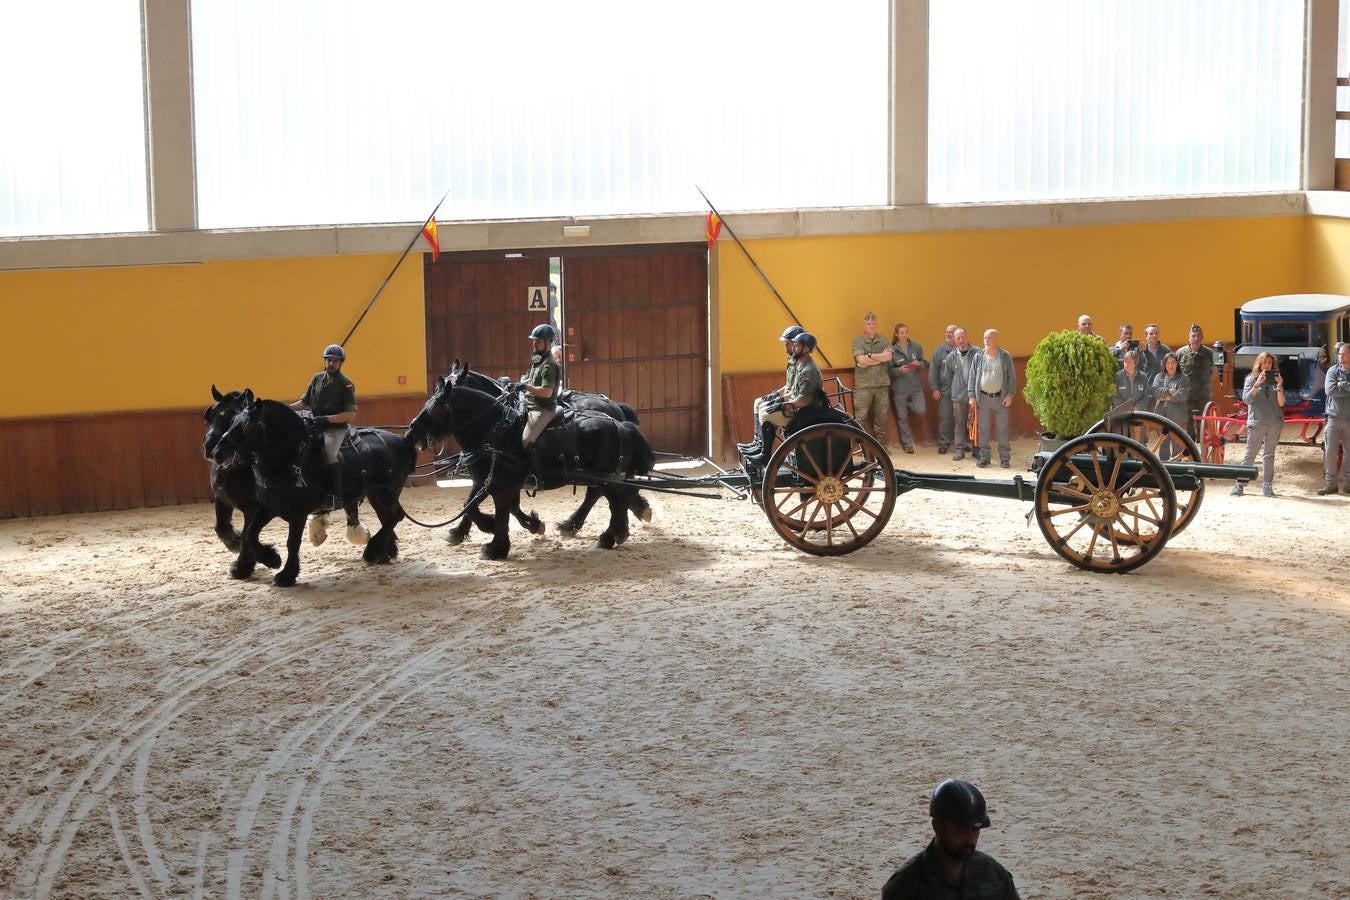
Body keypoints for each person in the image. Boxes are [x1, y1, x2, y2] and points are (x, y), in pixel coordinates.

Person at [881, 779, 1019, 900]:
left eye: (975, 829)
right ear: (938, 827)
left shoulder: (994, 874)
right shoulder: (905, 885)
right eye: (962, 829)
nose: (970, 837)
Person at [290, 343, 358, 511]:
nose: (331, 364)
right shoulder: (317, 378)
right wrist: (287, 408)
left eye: (335, 361)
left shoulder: (346, 384)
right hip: (315, 425)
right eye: (329, 360)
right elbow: (304, 402)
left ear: (341, 363)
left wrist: (327, 419)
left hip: (335, 428)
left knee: (329, 453)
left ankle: (337, 496)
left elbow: (350, 415)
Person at [745, 332, 825, 466]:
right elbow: (792, 390)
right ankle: (760, 447)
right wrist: (779, 398)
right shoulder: (801, 365)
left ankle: (765, 456)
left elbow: (803, 400)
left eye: (797, 346)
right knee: (765, 408)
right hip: (799, 408)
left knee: (766, 415)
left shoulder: (809, 370)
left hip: (806, 412)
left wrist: (783, 405)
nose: (793, 348)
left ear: (806, 349)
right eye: (794, 345)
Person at [738, 325, 803, 456]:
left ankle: (765, 454)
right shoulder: (793, 362)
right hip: (790, 401)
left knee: (765, 414)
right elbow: (789, 385)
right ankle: (758, 443)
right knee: (758, 402)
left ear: (797, 345)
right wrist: (775, 395)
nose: (785, 347)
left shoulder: (802, 365)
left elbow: (798, 392)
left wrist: (779, 400)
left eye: (788, 344)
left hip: (797, 408)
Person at [1232, 351, 1285, 497]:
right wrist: (1257, 384)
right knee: (1250, 454)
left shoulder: (1276, 380)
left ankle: (1267, 485)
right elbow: (1246, 400)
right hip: (1257, 422)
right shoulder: (1250, 379)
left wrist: (1280, 385)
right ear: (1259, 364)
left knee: (1269, 455)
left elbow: (1281, 402)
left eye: (1269, 362)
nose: (1267, 365)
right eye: (1264, 362)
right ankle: (1240, 484)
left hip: (1274, 422)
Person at [517, 323, 562, 478]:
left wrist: (526, 386)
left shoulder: (549, 364)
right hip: (530, 402)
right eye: (534, 341)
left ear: (548, 342)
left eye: (538, 341)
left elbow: (547, 392)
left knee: (526, 440)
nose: (534, 344)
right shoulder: (538, 358)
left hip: (543, 408)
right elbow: (532, 379)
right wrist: (523, 382)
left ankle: (535, 475)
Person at [968, 328, 1016, 468]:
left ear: (996, 339)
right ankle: (984, 457)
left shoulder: (1005, 356)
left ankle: (1005, 458)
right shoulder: (978, 356)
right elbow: (972, 377)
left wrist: (1010, 395)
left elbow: (1011, 378)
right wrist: (972, 396)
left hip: (1000, 398)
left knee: (1002, 429)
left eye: (989, 338)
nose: (986, 340)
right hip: (982, 398)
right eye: (985, 338)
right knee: (983, 429)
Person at [853, 311, 893, 448]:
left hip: (882, 384)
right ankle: (862, 446)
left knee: (881, 416)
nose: (871, 326)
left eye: (873, 324)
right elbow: (860, 359)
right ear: (864, 325)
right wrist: (878, 358)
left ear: (877, 325)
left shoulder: (883, 340)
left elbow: (888, 357)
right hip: (864, 385)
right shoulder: (858, 340)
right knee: (860, 416)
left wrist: (870, 357)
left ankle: (880, 446)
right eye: (868, 324)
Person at [940, 328, 978, 461]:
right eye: (958, 338)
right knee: (960, 423)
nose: (961, 340)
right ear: (955, 340)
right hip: (958, 395)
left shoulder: (977, 353)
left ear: (966, 337)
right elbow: (947, 375)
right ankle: (959, 449)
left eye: (962, 337)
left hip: (975, 395)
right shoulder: (951, 357)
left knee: (976, 422)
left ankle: (976, 449)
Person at [1317, 341, 1350, 495]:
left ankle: (1348, 484)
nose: (1339, 356)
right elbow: (1330, 391)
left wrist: (1341, 384)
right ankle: (1330, 484)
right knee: (1330, 452)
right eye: (1339, 354)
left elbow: (1336, 388)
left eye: (1343, 354)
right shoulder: (1332, 371)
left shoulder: (1337, 375)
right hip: (1334, 417)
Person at [889, 323, 926, 453]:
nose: (904, 335)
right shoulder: (891, 350)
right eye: (902, 332)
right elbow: (889, 371)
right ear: (896, 334)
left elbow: (923, 363)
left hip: (916, 387)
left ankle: (909, 405)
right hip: (899, 390)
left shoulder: (916, 346)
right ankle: (907, 444)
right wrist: (899, 370)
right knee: (902, 418)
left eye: (906, 332)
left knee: (921, 409)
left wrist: (918, 364)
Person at [1175, 323, 1216, 441]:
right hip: (1186, 393)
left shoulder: (1208, 353)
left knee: (1204, 419)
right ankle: (1190, 443)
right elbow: (1175, 372)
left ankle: (1202, 441)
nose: (1196, 338)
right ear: (1189, 337)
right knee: (1187, 419)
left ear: (1202, 337)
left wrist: (1206, 382)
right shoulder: (1180, 353)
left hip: (1203, 393)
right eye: (1193, 336)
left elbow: (1214, 371)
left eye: (1198, 336)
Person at [929, 325, 958, 454]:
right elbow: (933, 372)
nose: (948, 334)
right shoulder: (939, 351)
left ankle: (960, 443)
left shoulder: (964, 349)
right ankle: (944, 443)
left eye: (951, 332)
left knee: (961, 418)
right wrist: (935, 389)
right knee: (945, 417)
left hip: (962, 391)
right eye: (946, 332)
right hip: (945, 391)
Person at [1112, 350, 1151, 414]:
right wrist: (1126, 408)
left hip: (1140, 412)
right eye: (1125, 361)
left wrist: (1137, 408)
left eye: (1129, 362)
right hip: (1121, 413)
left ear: (1135, 363)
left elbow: (1146, 395)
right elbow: (1115, 395)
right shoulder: (1117, 376)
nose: (1126, 364)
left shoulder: (1143, 377)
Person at [1138, 323, 1171, 393]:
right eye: (1151, 333)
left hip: (1162, 389)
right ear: (1146, 336)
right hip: (1146, 390)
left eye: (1156, 333)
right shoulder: (1140, 351)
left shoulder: (1166, 351)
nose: (1154, 335)